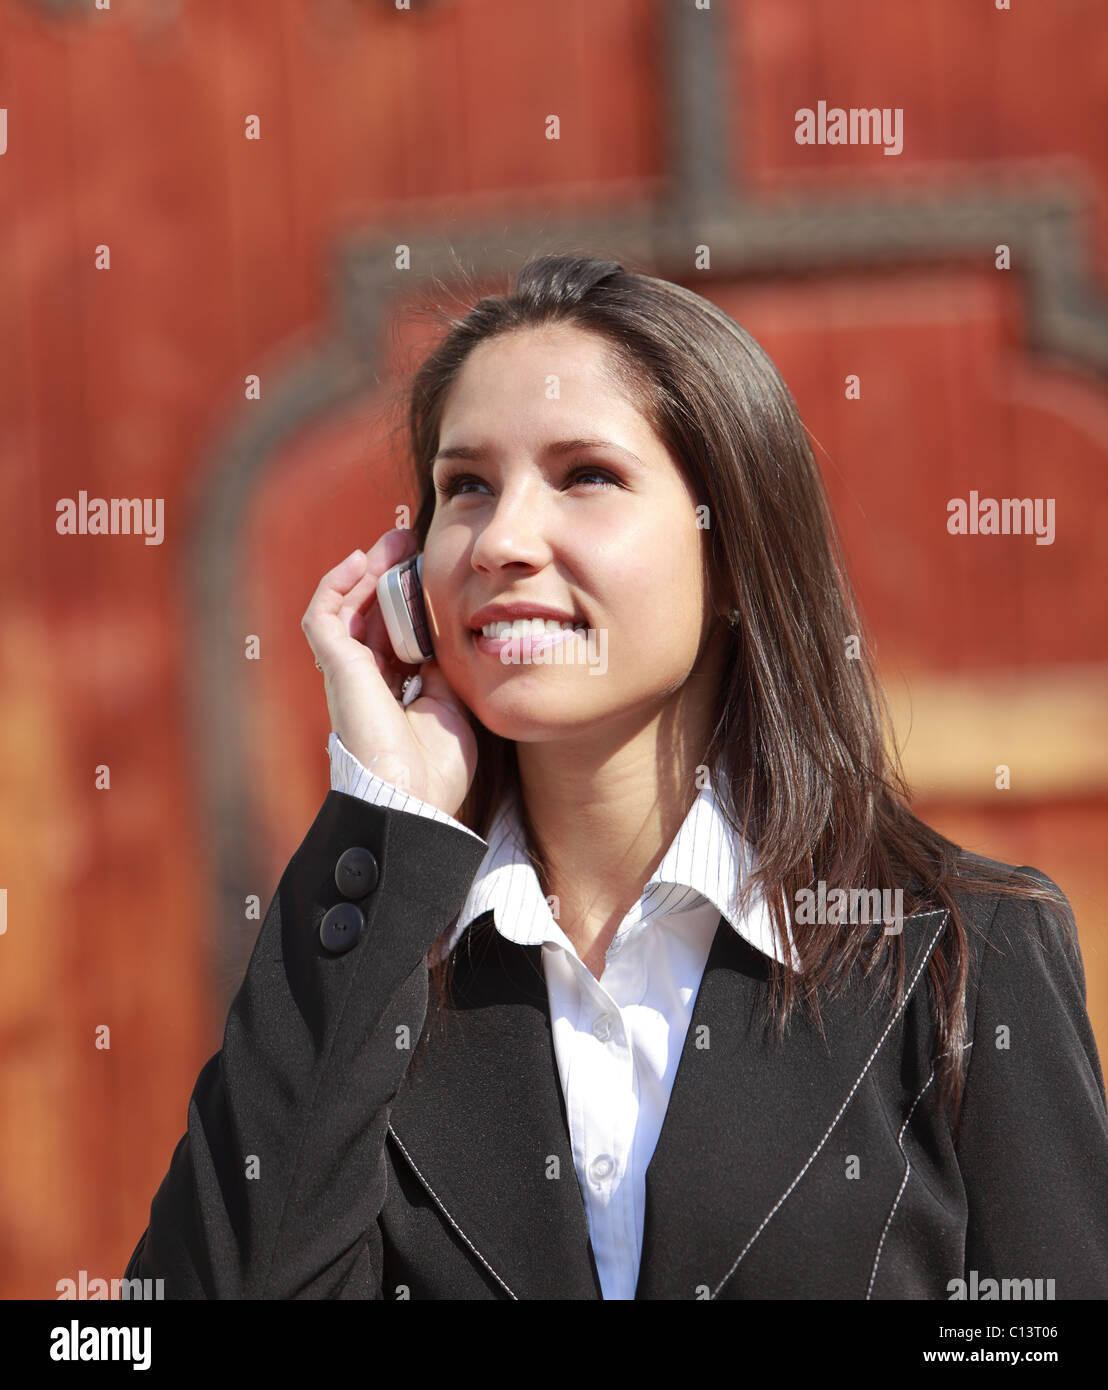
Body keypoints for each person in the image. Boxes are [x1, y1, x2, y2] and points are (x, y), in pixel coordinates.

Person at [124, 254, 1108, 1299]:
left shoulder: (961, 951)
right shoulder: (370, 969)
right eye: (466, 486)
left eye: (585, 475)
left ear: (731, 551)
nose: (502, 538)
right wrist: (387, 812)